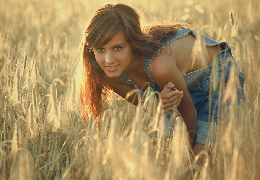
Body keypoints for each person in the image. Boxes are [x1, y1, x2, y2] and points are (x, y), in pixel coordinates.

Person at [80, 3, 245, 154]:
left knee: (199, 160)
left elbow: (189, 114)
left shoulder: (159, 64)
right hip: (173, 90)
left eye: (117, 48)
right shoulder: (109, 76)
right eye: (100, 49)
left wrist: (186, 156)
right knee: (164, 156)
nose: (108, 60)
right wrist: (159, 103)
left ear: (133, 42)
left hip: (218, 81)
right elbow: (151, 107)